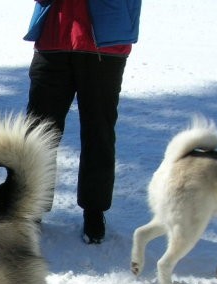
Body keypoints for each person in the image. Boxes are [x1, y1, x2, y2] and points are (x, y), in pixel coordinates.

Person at [25, 0, 142, 243]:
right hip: (53, 38)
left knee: (98, 131)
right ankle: (30, 204)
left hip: (105, 42)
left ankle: (94, 210)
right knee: (38, 131)